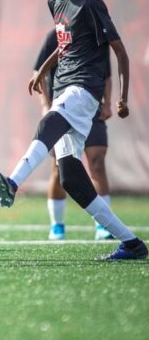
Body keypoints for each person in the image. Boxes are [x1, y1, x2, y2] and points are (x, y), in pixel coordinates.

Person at [0, 0, 147, 261]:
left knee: (49, 122)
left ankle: (13, 182)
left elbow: (120, 52)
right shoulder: (55, 3)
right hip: (63, 87)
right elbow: (65, 46)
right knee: (71, 177)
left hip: (84, 88)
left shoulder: (90, 3)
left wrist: (122, 98)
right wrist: (42, 70)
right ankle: (131, 243)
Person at [34, 29, 115, 241]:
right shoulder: (55, 36)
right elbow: (39, 73)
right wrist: (45, 105)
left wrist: (107, 102)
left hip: (91, 108)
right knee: (59, 167)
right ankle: (57, 225)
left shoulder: (99, 38)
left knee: (97, 163)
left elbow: (106, 75)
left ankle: (103, 225)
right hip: (63, 110)